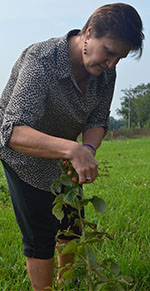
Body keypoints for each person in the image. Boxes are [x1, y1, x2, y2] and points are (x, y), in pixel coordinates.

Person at [0, 3, 144, 290]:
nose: (112, 64)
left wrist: (87, 149)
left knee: (71, 226)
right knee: (41, 233)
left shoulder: (106, 74)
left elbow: (97, 119)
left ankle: (69, 284)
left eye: (120, 58)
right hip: (23, 155)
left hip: (66, 156)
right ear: (88, 34)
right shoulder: (41, 60)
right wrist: (72, 149)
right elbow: (11, 131)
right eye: (110, 52)